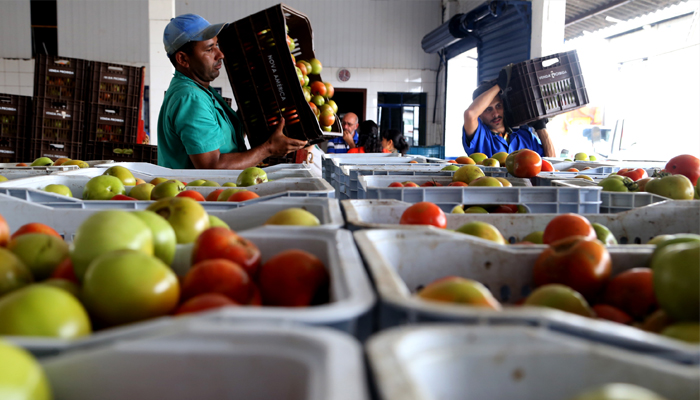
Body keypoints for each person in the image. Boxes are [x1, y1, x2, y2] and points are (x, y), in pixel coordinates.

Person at [157, 14, 307, 169]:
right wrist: (268, 148)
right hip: (200, 192)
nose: (220, 54)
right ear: (183, 59)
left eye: (217, 45)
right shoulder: (190, 98)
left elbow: (226, 142)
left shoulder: (202, 90)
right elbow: (211, 166)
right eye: (209, 49)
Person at [462, 68, 555, 158]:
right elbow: (470, 114)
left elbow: (551, 163)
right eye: (488, 109)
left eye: (498, 106)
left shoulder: (525, 136)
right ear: (480, 114)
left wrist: (541, 127)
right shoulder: (480, 137)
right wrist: (499, 86)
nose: (496, 114)